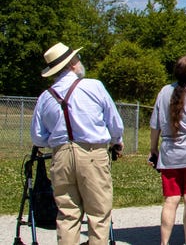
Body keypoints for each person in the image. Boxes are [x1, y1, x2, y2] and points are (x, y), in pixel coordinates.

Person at [30, 42, 124, 245]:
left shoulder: (45, 97)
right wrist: (116, 141)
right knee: (98, 215)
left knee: (67, 215)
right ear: (72, 63)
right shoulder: (94, 86)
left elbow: (37, 136)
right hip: (92, 153)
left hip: (61, 156)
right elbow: (115, 123)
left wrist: (58, 142)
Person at [149, 55, 186, 245]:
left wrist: (153, 149)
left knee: (170, 200)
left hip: (169, 153)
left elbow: (155, 124)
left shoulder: (164, 91)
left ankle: (164, 243)